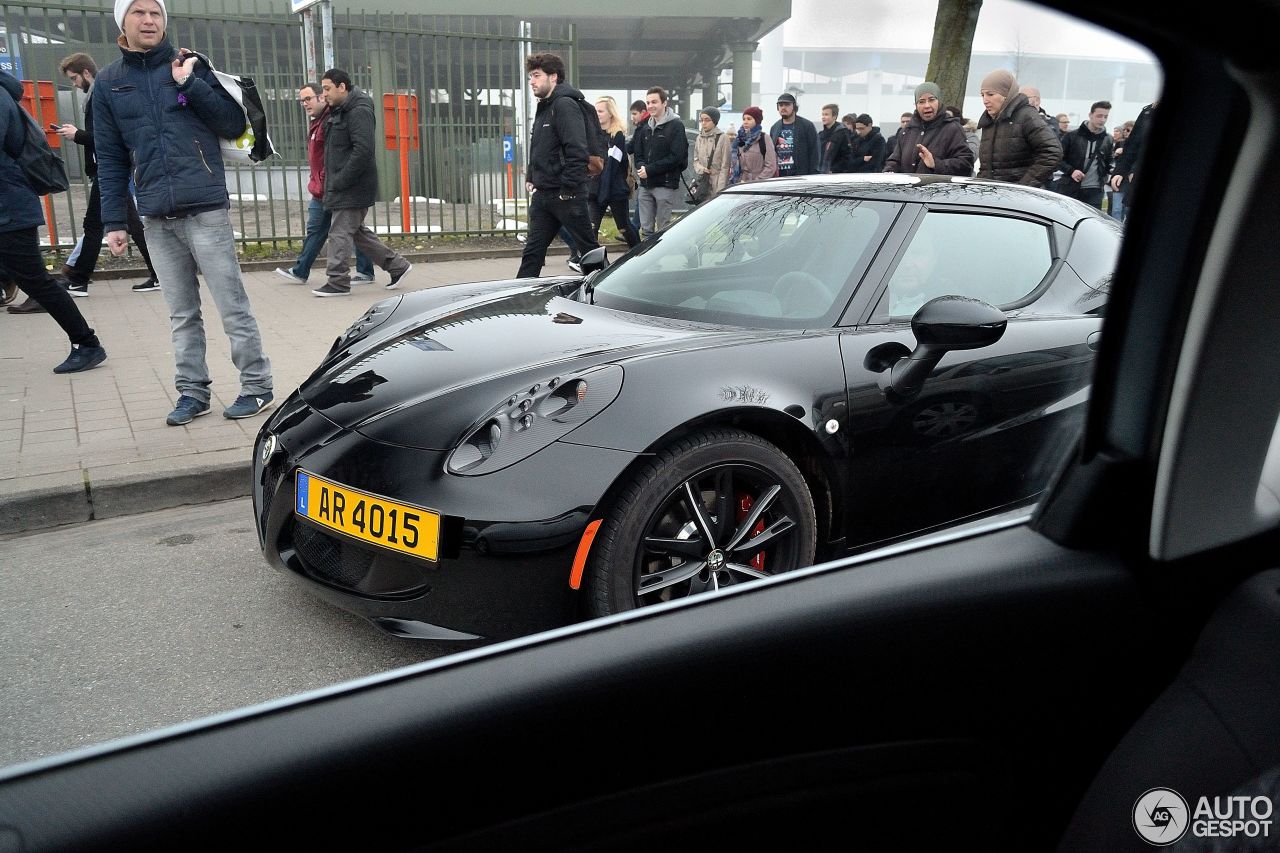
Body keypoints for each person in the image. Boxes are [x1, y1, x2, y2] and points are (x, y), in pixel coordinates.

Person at [94, 0, 272, 424]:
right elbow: (110, 155)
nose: (149, 19)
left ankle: (256, 386)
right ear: (123, 21)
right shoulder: (108, 82)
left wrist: (189, 84)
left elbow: (231, 124)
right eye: (138, 12)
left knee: (232, 305)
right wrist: (115, 221)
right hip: (155, 214)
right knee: (181, 312)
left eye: (155, 12)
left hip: (205, 208)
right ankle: (193, 394)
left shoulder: (189, 65)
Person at [0, 70, 107, 372]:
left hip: (9, 208)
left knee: (36, 281)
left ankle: (87, 343)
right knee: (32, 278)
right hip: (10, 205)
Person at [43, 53, 159, 303]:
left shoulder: (100, 96)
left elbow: (108, 139)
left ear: (86, 72)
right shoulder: (96, 95)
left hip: (106, 169)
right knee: (130, 224)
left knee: (94, 225)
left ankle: (79, 279)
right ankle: (158, 273)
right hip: (106, 169)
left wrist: (78, 135)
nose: (74, 84)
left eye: (74, 78)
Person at [314, 68, 412, 297]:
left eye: (327, 89)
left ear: (342, 87)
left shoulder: (359, 111)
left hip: (353, 186)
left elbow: (363, 151)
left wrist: (340, 179)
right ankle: (398, 266)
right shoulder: (339, 109)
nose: (324, 94)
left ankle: (337, 281)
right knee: (357, 233)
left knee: (339, 233)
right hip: (344, 184)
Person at [274, 81, 375, 287]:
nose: (305, 104)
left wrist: (332, 181)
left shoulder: (331, 120)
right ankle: (303, 270)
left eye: (308, 98)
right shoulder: (318, 121)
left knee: (341, 230)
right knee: (348, 230)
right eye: (302, 100)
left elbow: (339, 155)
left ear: (322, 97)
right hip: (323, 185)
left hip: (331, 187)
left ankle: (320, 274)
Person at [515, 53, 601, 278]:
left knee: (589, 251)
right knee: (533, 251)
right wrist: (533, 175)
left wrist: (568, 189)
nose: (532, 81)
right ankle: (521, 298)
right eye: (530, 77)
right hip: (544, 194)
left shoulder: (564, 105)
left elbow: (577, 150)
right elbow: (542, 146)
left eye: (536, 76)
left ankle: (606, 293)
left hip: (566, 195)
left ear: (553, 77)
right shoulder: (545, 106)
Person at [975, 69, 1063, 186]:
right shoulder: (989, 122)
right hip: (991, 196)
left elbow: (1052, 152)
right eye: (982, 95)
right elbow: (986, 168)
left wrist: (1023, 186)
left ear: (1006, 94)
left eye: (990, 94)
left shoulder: (1026, 116)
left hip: (1017, 199)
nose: (985, 100)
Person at [883, 83, 974, 176]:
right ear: (916, 105)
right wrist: (889, 171)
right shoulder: (907, 131)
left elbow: (966, 165)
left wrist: (936, 164)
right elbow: (895, 160)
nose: (927, 105)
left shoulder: (952, 128)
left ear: (939, 102)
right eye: (921, 101)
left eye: (931, 100)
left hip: (939, 189)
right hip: (907, 190)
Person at [632, 86, 688, 238]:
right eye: (648, 102)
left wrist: (649, 169)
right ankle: (647, 260)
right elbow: (638, 153)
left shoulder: (676, 126)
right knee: (646, 230)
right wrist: (641, 166)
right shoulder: (645, 128)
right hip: (645, 184)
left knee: (663, 229)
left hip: (665, 184)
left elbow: (676, 157)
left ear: (664, 103)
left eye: (654, 102)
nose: (650, 106)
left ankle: (663, 260)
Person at [591, 96, 641, 248]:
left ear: (610, 113)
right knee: (591, 227)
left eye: (600, 111)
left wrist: (604, 193)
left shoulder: (617, 136)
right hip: (594, 189)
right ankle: (592, 264)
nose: (597, 114)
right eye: (595, 111)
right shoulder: (592, 134)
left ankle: (638, 253)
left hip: (615, 190)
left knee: (623, 226)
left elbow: (612, 166)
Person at [1054, 100, 1113, 209]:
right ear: (1090, 115)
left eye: (1106, 116)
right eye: (1099, 116)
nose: (1102, 120)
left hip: (1096, 190)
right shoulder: (1071, 136)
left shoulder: (1108, 139)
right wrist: (1071, 171)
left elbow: (1109, 162)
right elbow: (1057, 159)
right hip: (1071, 188)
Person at [770, 92, 819, 177]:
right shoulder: (775, 128)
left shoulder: (807, 126)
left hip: (800, 176)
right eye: (781, 105)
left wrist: (813, 174)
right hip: (779, 177)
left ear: (794, 106)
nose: (783, 108)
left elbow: (815, 152)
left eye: (787, 105)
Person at [729, 106, 776, 185]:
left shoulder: (764, 138)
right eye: (744, 119)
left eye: (749, 119)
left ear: (756, 121)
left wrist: (756, 182)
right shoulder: (738, 140)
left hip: (758, 187)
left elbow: (771, 166)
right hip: (739, 185)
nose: (745, 122)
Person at [691, 106, 731, 199]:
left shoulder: (723, 137)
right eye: (701, 120)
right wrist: (702, 169)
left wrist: (720, 189)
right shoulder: (699, 138)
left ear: (714, 121)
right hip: (703, 182)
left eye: (707, 120)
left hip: (716, 182)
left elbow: (725, 166)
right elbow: (695, 161)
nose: (703, 123)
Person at [817, 103, 855, 173]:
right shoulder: (820, 135)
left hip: (835, 175)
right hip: (820, 172)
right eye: (823, 114)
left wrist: (834, 169)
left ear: (834, 116)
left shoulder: (842, 133)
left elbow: (847, 156)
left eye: (826, 114)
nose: (823, 117)